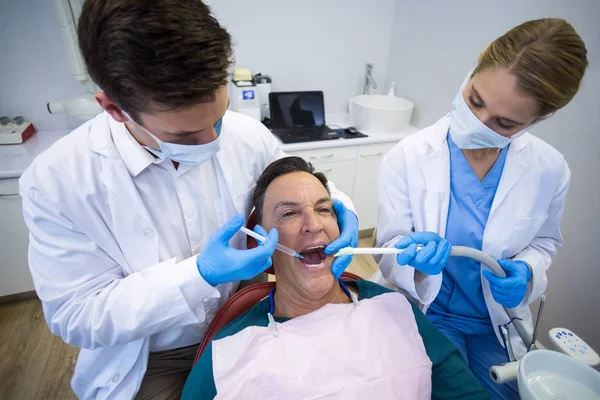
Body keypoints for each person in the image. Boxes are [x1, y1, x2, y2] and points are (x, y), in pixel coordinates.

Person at [18, 1, 358, 399]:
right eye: (186, 137)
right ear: (114, 108)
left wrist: (339, 207)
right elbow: (76, 316)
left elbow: (296, 178)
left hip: (247, 316)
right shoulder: (57, 182)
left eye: (217, 119)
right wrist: (198, 276)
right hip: (153, 353)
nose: (214, 143)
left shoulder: (245, 135)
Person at [376, 18, 588, 399]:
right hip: (430, 313)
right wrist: (415, 264)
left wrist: (526, 273)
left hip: (497, 323)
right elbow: (390, 246)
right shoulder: (407, 157)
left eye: (504, 123)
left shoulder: (550, 170)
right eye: (475, 100)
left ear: (538, 120)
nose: (478, 123)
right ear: (473, 71)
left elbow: (543, 244)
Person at [181, 156, 491, 400]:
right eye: (289, 213)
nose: (312, 224)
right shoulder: (229, 352)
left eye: (324, 209)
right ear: (261, 244)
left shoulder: (394, 309)